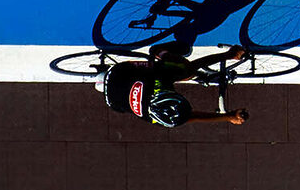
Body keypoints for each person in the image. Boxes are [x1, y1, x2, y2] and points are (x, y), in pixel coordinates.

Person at [95, 42, 249, 127]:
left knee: (185, 70)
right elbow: (192, 117)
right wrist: (227, 117)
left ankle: (159, 51)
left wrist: (228, 55)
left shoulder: (158, 80)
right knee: (180, 74)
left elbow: (184, 70)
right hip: (126, 93)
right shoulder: (158, 117)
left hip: (124, 72)